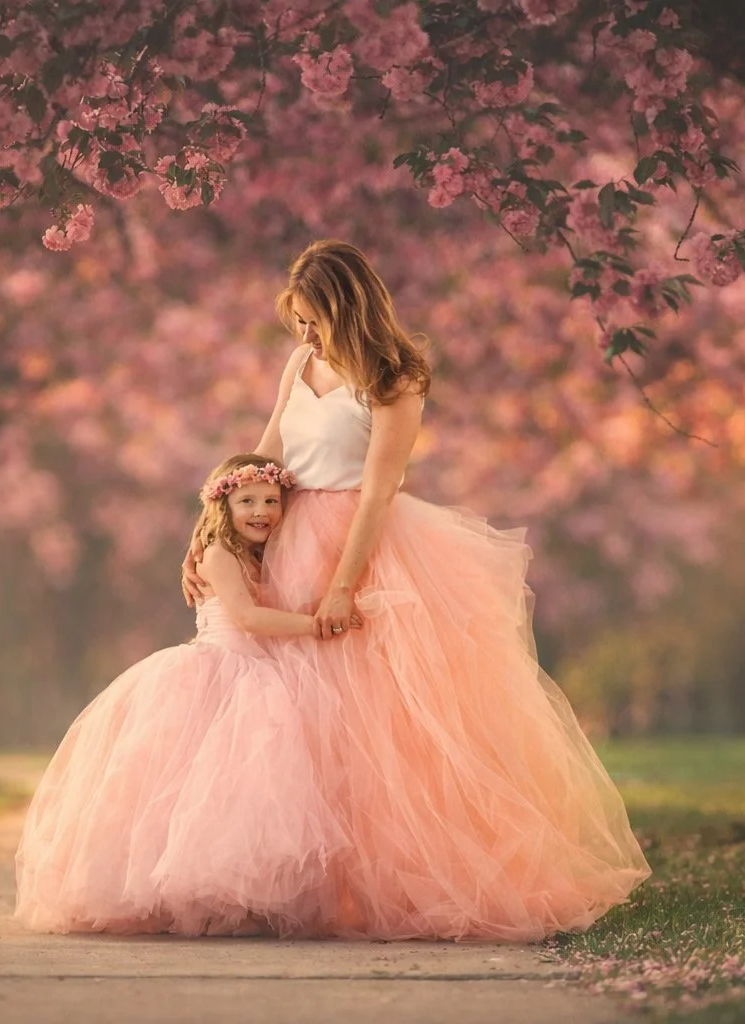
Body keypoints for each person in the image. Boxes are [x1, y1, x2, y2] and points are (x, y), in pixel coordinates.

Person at [183, 240, 651, 941]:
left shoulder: (396, 378)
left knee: (374, 717)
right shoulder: (298, 362)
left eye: (314, 320)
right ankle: (300, 879)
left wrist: (344, 583)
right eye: (298, 322)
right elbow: (268, 453)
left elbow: (379, 487)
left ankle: (378, 882)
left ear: (347, 309)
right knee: (290, 715)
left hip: (361, 539)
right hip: (284, 531)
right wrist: (213, 530)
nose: (305, 335)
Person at [17, 454, 355, 937]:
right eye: (247, 501)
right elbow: (248, 619)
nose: (261, 511)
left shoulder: (265, 555)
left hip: (259, 673)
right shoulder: (218, 554)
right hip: (219, 671)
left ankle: (242, 893)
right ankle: (183, 891)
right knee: (189, 788)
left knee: (245, 791)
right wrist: (317, 626)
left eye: (270, 501)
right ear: (222, 506)